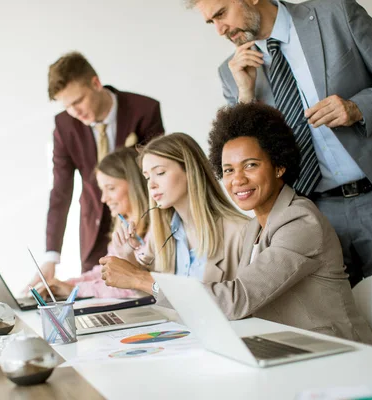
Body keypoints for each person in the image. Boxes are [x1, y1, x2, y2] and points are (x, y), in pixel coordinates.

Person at [188, 0, 372, 350]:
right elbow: (240, 148)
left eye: (221, 14)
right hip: (313, 210)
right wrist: (244, 92)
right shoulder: (234, 70)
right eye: (210, 22)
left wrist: (357, 107)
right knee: (332, 322)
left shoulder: (336, 14)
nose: (219, 29)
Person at [206, 102, 372, 344]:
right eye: (229, 170)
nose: (238, 179)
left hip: (335, 353)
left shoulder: (300, 221)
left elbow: (238, 299)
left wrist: (148, 283)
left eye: (250, 165)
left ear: (279, 166)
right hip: (287, 347)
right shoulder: (252, 228)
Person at [27, 51, 164, 289]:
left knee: (135, 291)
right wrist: (52, 256)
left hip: (141, 226)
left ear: (95, 83)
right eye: (67, 106)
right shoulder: (65, 125)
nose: (75, 112)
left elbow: (159, 173)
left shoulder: (144, 110)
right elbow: (61, 189)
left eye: (78, 101)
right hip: (94, 228)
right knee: (95, 290)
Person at [98, 133, 250, 299]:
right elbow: (153, 295)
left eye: (160, 173)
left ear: (190, 171)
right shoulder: (161, 236)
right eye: (147, 177)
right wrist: (128, 257)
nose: (152, 185)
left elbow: (238, 302)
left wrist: (137, 277)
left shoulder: (241, 233)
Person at [35, 147, 150, 300]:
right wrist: (63, 284)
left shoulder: (152, 231)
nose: (104, 199)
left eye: (111, 188)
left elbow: (127, 288)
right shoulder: (124, 226)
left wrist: (74, 289)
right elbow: (104, 272)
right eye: (102, 190)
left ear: (135, 185)